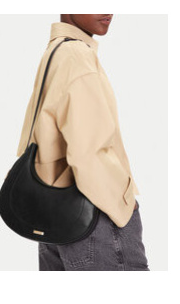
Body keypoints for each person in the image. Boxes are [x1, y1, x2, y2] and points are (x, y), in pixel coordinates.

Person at [15, 14, 150, 271]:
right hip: (96, 218)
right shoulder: (76, 56)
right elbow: (88, 151)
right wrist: (122, 205)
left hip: (55, 215)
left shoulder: (56, 51)